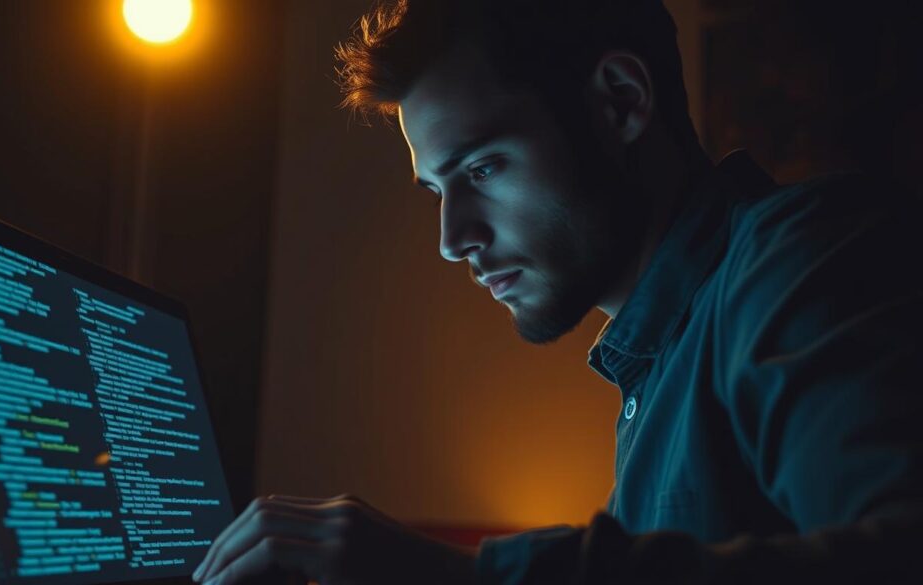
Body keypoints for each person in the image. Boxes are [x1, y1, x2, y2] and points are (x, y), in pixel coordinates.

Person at [190, 0, 923, 583]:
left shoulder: (801, 255)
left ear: (621, 102)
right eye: (437, 190)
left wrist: (460, 577)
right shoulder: (658, 364)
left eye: (481, 169)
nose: (452, 238)